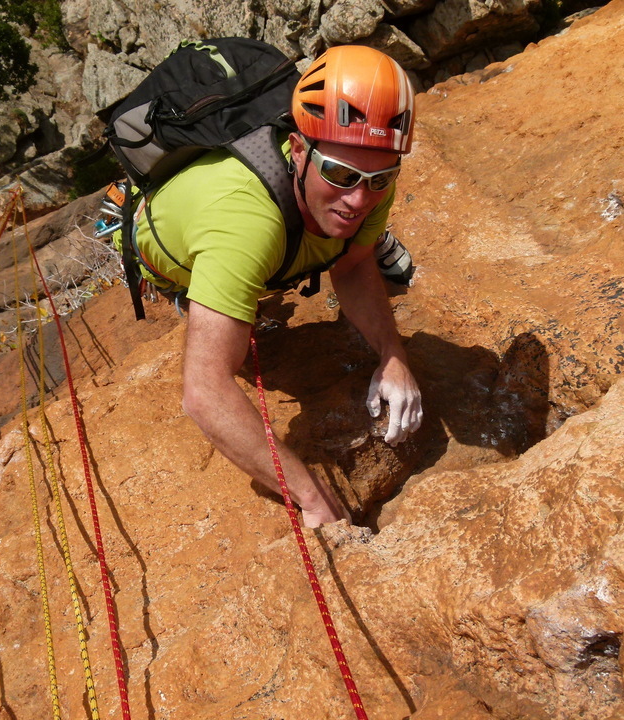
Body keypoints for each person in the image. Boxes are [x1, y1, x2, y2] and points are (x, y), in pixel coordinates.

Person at [130, 45, 424, 527]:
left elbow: (351, 269)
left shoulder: (369, 183)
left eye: (380, 178)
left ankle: (324, 241)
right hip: (180, 250)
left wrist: (394, 357)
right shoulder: (243, 225)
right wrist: (312, 498)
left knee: (346, 239)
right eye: (341, 174)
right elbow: (205, 392)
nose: (359, 197)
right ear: (300, 149)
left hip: (275, 232)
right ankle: (210, 291)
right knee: (240, 328)